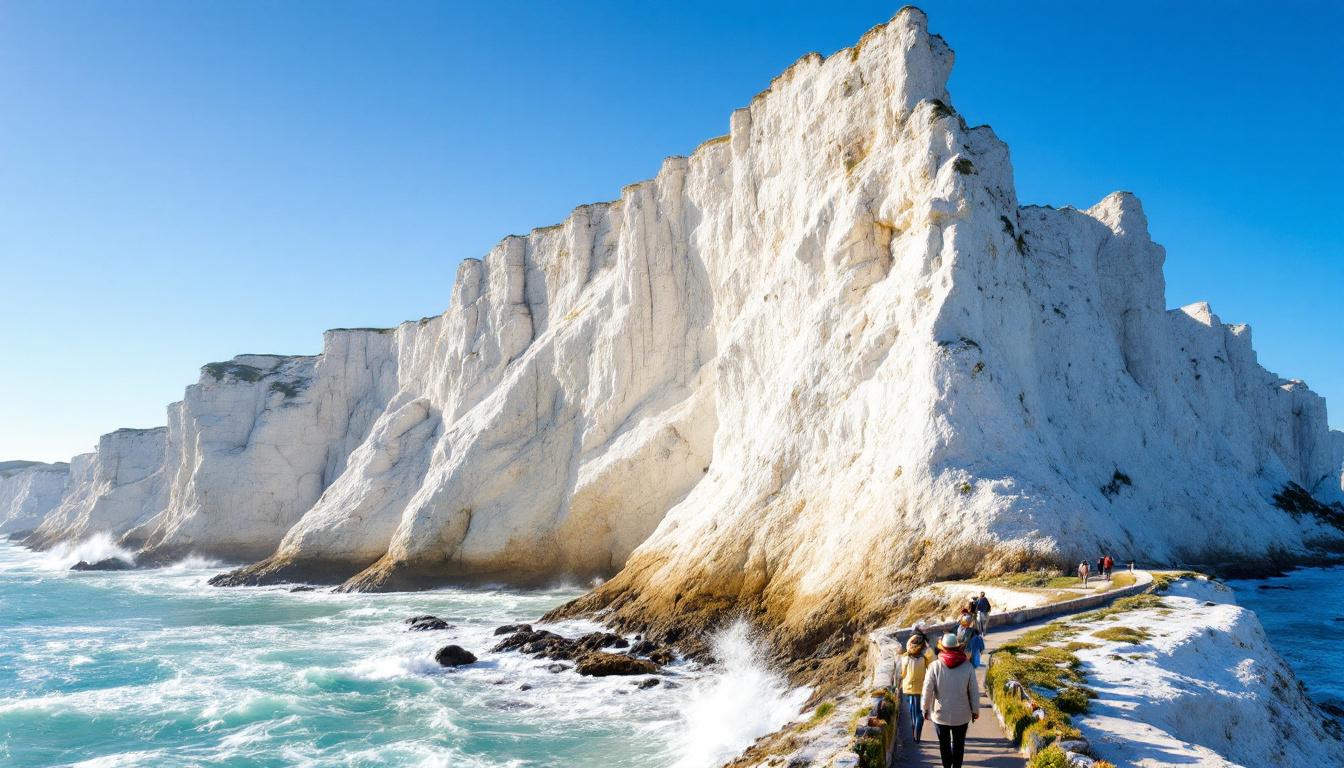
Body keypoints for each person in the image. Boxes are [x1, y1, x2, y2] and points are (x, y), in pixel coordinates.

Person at [922, 633, 979, 768]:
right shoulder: (968, 666)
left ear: (942, 648)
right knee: (959, 744)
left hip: (940, 714)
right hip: (962, 714)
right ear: (958, 647)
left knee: (944, 744)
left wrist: (924, 708)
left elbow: (927, 689)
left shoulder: (935, 666)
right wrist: (975, 710)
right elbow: (974, 691)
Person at [898, 634, 934, 742]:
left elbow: (902, 674)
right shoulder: (924, 658)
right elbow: (932, 664)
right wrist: (928, 648)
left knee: (911, 710)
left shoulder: (905, 657)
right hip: (920, 688)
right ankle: (917, 736)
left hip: (908, 688)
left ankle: (913, 730)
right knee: (919, 712)